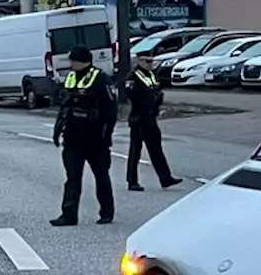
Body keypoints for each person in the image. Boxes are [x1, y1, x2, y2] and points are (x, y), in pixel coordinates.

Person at [52, 46, 117, 226]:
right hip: (73, 137)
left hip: (95, 137)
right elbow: (65, 105)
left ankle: (106, 212)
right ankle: (69, 215)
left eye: (73, 61)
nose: (71, 64)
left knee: (101, 176)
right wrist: (58, 129)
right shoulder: (71, 77)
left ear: (83, 61)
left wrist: (106, 135)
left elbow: (111, 110)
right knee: (72, 178)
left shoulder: (100, 79)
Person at [125, 54, 183, 191]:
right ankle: (132, 181)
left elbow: (157, 90)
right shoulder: (133, 76)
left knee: (156, 149)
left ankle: (165, 178)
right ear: (139, 61)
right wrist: (148, 97)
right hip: (138, 118)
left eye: (151, 61)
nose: (150, 64)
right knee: (135, 151)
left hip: (150, 118)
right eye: (147, 61)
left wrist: (156, 102)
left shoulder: (151, 75)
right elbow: (133, 95)